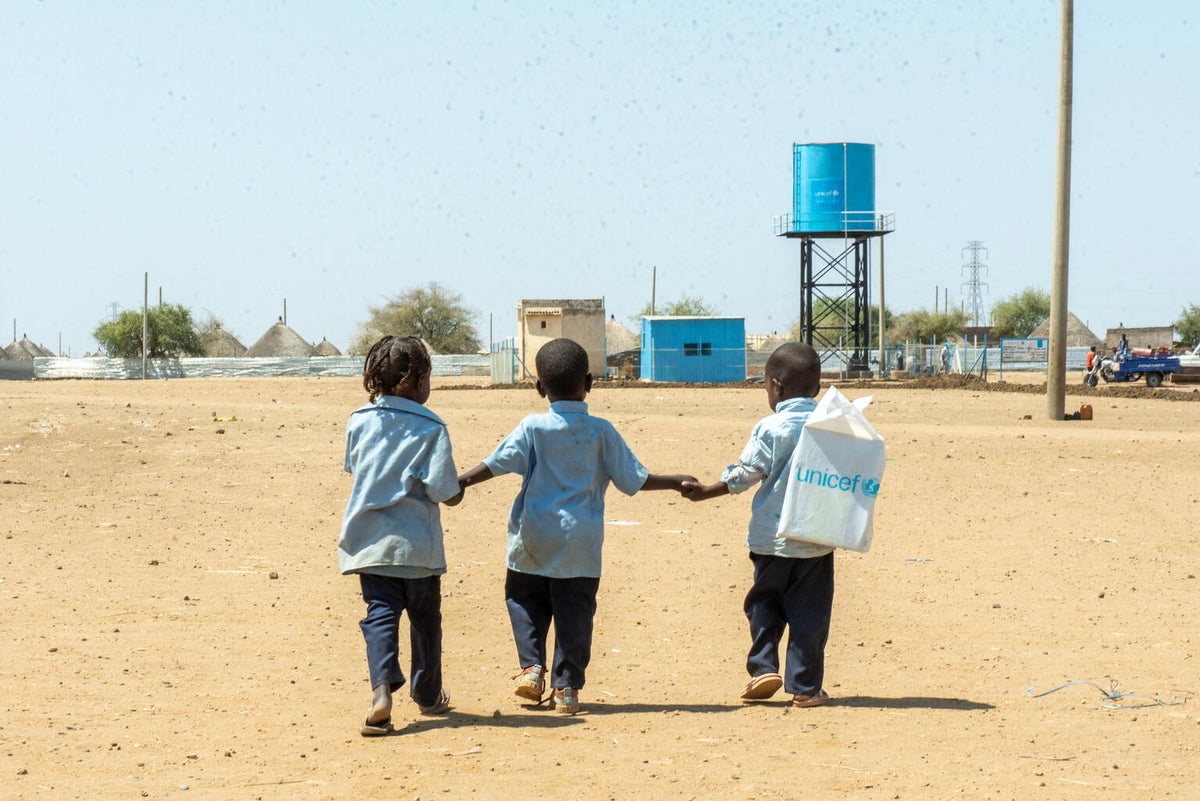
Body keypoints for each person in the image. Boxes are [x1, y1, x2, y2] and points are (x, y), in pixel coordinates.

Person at [456, 338, 695, 715]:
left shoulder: (533, 427)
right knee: (575, 614)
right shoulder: (601, 431)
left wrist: (462, 482)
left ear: (539, 388)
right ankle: (566, 689)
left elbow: (496, 463)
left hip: (533, 536)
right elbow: (633, 479)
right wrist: (674, 480)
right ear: (589, 382)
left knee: (523, 601)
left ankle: (532, 667)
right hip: (580, 543)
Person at [682, 342, 834, 709]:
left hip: (770, 541)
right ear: (815, 388)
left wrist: (706, 491)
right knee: (810, 616)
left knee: (764, 605)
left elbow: (747, 474)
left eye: (766, 385)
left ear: (777, 386)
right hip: (816, 539)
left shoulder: (771, 427)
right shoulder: (831, 425)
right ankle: (805, 687)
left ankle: (763, 668)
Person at [338, 335, 464, 737]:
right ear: (417, 381)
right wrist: (458, 490)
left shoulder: (358, 420)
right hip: (418, 550)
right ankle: (427, 695)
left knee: (380, 616)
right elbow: (445, 491)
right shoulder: (431, 427)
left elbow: (355, 468)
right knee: (426, 621)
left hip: (370, 544)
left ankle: (381, 696)